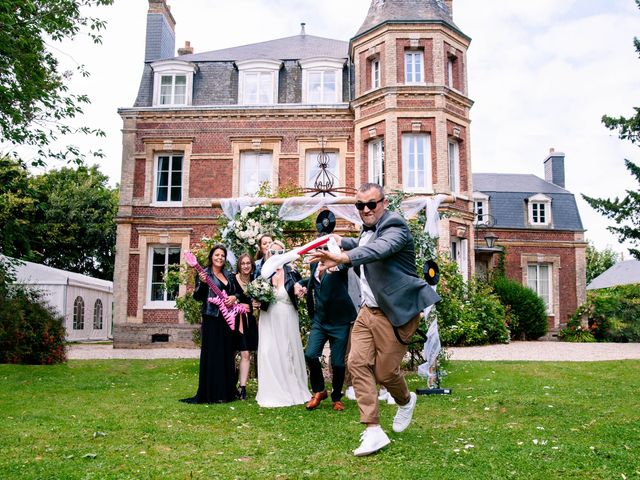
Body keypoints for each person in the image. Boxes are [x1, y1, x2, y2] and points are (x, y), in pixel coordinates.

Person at [308, 183, 440, 456]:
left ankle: (406, 401)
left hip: (395, 313)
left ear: (384, 203)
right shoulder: (367, 230)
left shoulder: (395, 227)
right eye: (360, 205)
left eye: (371, 204)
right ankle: (372, 430)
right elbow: (363, 244)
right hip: (368, 310)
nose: (366, 210)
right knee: (356, 362)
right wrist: (339, 242)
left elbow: (377, 250)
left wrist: (342, 257)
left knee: (385, 373)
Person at [182, 244, 250, 404]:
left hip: (228, 319)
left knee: (227, 354)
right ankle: (211, 393)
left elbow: (238, 292)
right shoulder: (204, 273)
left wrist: (234, 298)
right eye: (217, 255)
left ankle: (226, 392)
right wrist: (203, 283)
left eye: (222, 255)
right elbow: (198, 297)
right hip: (212, 318)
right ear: (211, 257)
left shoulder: (229, 275)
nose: (219, 258)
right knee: (212, 354)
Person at [255, 240, 311, 408]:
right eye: (273, 252)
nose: (277, 256)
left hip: (287, 317)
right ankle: (271, 390)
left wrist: (301, 290)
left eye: (281, 253)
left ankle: (292, 387)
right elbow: (255, 293)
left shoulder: (292, 272)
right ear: (267, 253)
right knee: (268, 351)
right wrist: (256, 298)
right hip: (268, 318)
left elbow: (303, 286)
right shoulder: (263, 273)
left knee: (288, 351)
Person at [301, 252, 357, 412]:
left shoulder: (339, 266)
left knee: (338, 363)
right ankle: (319, 391)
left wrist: (337, 260)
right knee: (310, 354)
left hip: (340, 322)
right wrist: (300, 283)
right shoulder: (314, 265)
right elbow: (313, 281)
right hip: (320, 321)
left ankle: (337, 397)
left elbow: (345, 265)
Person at [234, 253, 259, 400]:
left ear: (252, 265)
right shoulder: (232, 279)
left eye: (248, 263)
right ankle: (229, 383)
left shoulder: (256, 282)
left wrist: (256, 304)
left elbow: (260, 301)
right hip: (232, 320)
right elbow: (226, 296)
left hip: (249, 322)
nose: (245, 266)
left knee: (246, 354)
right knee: (230, 353)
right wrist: (238, 303)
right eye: (243, 263)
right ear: (239, 265)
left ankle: (242, 387)